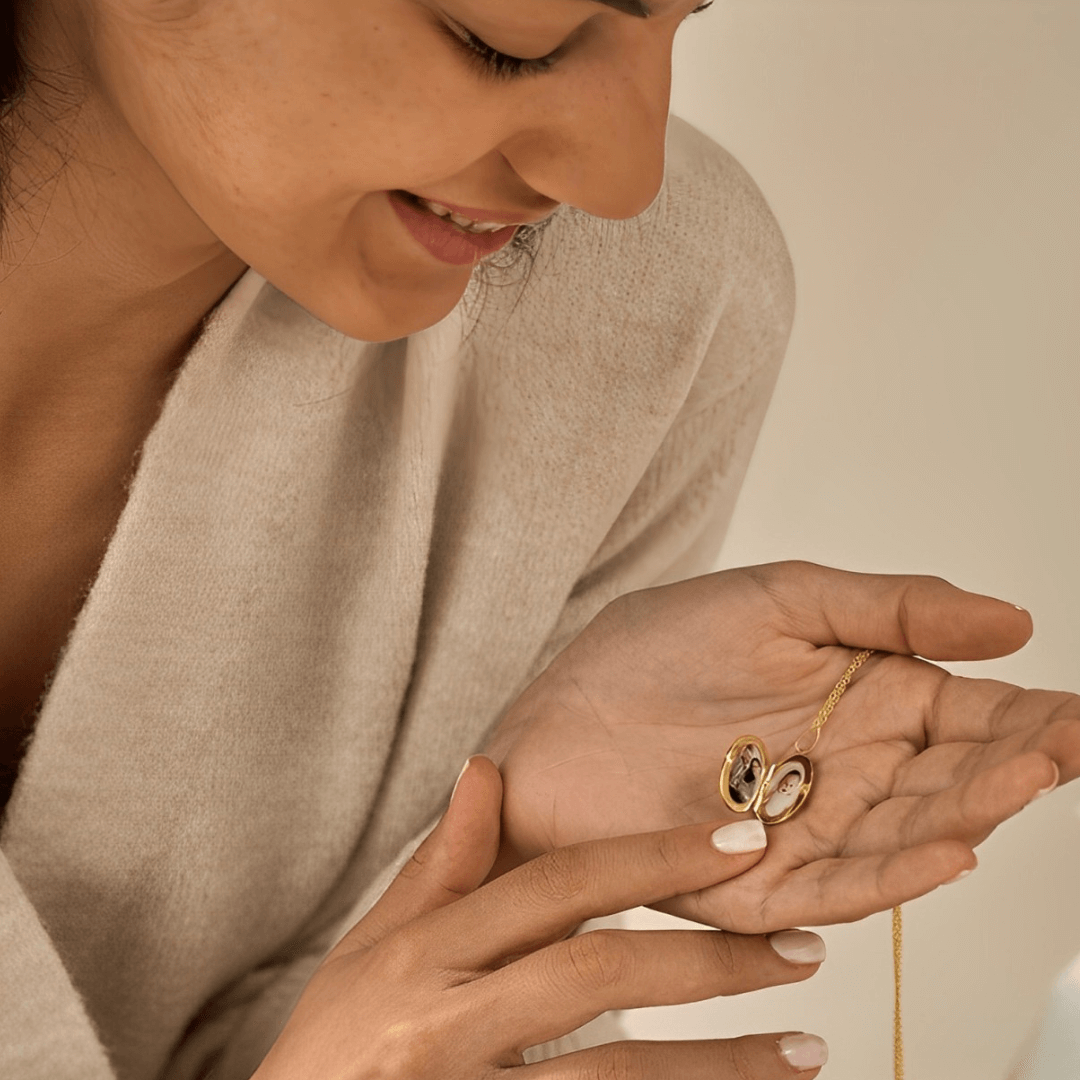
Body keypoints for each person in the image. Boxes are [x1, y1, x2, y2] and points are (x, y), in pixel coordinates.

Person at [2, 2, 1079, 1079]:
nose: (620, 177)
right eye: (508, 40)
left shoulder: (633, 310)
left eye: (682, 17)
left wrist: (476, 872)